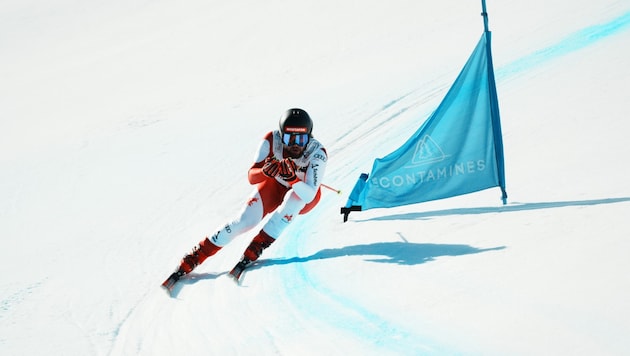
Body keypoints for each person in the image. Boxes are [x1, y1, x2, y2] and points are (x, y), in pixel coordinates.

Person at [162, 108, 327, 289]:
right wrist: (264, 171)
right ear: (281, 136)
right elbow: (251, 177)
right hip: (275, 185)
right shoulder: (271, 140)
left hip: (302, 193)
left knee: (294, 201)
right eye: (289, 138)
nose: (296, 144)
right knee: (244, 221)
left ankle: (256, 246)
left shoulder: (317, 153)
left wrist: (294, 180)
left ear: (309, 137)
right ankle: (196, 255)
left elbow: (309, 195)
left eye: (301, 139)